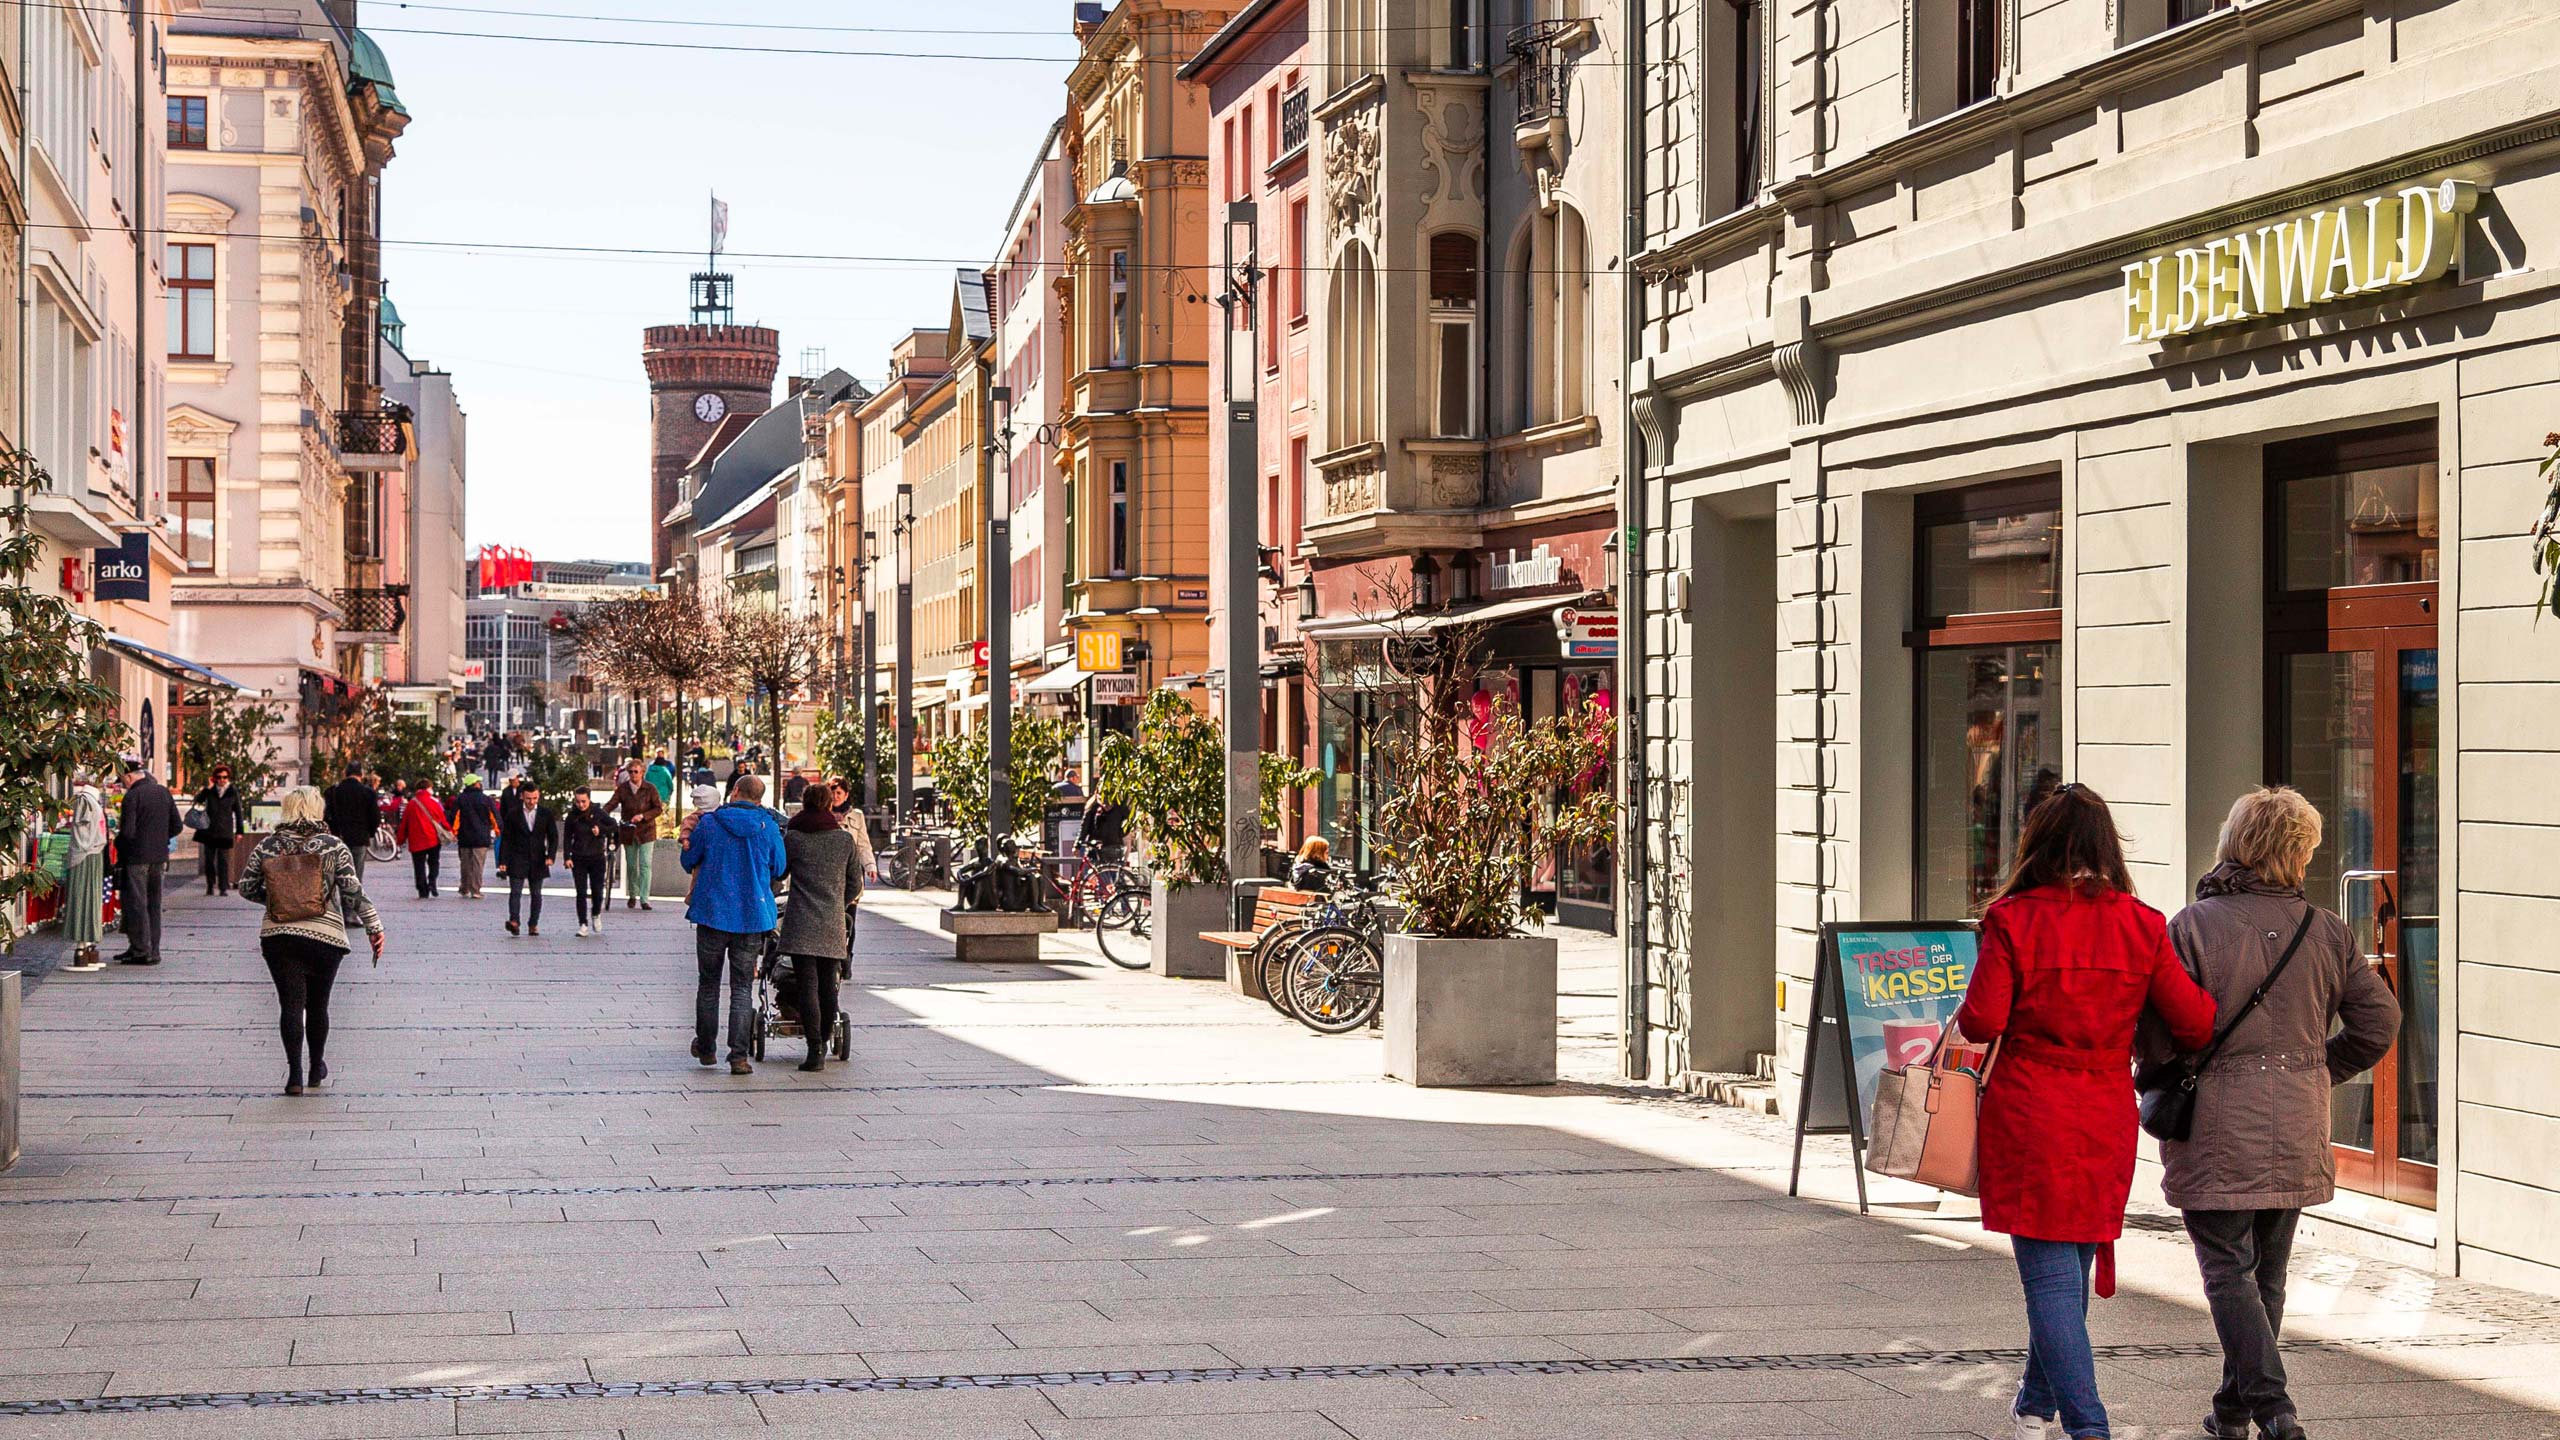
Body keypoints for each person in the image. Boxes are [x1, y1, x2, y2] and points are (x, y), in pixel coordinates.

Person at [1953, 784, 2219, 1440]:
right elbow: (2196, 1021)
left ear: (2036, 844)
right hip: (2103, 1111)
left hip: (2029, 1110)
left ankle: (2086, 1427)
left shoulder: (2014, 919)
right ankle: (2033, 1406)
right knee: (2065, 1272)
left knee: (2050, 1279)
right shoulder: (2142, 923)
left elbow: (1983, 1019)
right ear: (2106, 845)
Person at [2152, 788, 2400, 1440]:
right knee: (2267, 1275)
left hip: (2215, 1124)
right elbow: (2380, 1022)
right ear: (2298, 853)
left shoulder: (2192, 927)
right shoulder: (2327, 931)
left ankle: (2273, 1409)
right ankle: (2232, 1414)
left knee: (2228, 1272)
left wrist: (2160, 1076)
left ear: (2235, 843)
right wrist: (2320, 1068)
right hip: (2297, 1121)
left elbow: (2157, 1031)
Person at [236, 786, 383, 1096]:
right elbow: (352, 892)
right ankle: (316, 1066)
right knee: (319, 1005)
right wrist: (374, 927)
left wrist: (279, 901)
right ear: (318, 809)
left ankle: (294, 1075)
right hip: (325, 936)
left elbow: (246, 887)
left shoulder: (268, 846)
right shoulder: (334, 846)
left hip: (279, 936)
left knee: (290, 1005)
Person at [680, 773, 788, 1075]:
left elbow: (688, 860)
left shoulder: (711, 823)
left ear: (735, 791)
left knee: (709, 984)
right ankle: (738, 1057)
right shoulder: (768, 827)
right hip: (752, 917)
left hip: (713, 913)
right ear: (759, 798)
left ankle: (706, 1048)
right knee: (742, 988)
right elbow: (779, 867)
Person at [776, 788, 865, 1073]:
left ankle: (814, 1047)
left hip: (801, 920)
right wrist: (838, 904)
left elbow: (780, 874)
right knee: (829, 986)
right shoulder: (844, 840)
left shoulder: (795, 838)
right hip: (832, 921)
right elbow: (855, 885)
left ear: (804, 803)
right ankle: (824, 1041)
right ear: (829, 804)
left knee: (807, 986)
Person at [113, 757, 182, 966]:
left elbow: (128, 832)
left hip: (136, 857)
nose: (122, 784)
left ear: (129, 776)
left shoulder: (132, 796)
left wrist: (119, 845)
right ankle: (153, 949)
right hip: (159, 857)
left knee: (137, 903)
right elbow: (177, 826)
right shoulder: (163, 792)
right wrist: (161, 839)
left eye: (122, 780)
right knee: (154, 904)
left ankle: (141, 950)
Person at [496, 780, 558, 937]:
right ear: (522, 796)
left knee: (536, 893)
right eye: (529, 798)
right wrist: (502, 861)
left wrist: (551, 856)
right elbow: (507, 839)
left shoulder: (545, 814)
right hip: (517, 857)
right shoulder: (513, 813)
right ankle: (514, 921)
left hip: (538, 858)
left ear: (539, 796)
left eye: (535, 798)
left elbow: (553, 836)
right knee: (515, 891)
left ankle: (533, 924)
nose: (531, 802)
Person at [61, 774, 110, 971]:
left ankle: (87, 945)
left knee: (88, 898)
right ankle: (83, 946)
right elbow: (84, 831)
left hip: (90, 854)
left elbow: (86, 830)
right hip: (88, 854)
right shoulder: (87, 800)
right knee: (83, 898)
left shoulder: (88, 800)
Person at [609, 760, 666, 911]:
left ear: (642, 773)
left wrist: (644, 816)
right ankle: (633, 894)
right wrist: (600, 814)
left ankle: (644, 898)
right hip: (629, 831)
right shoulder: (623, 789)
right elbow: (612, 803)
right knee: (632, 864)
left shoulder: (650, 789)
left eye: (636, 772)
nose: (633, 775)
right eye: (631, 772)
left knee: (645, 864)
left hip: (646, 831)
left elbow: (658, 808)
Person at [560, 788, 614, 937]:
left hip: (597, 857)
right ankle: (583, 923)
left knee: (597, 891)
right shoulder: (572, 816)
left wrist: (601, 830)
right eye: (578, 801)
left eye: (583, 801)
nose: (581, 805)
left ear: (589, 799)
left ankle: (596, 913)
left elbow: (613, 826)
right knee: (581, 892)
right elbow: (566, 838)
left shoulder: (598, 812)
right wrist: (567, 857)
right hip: (579, 857)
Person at [193, 766, 245, 896]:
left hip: (224, 831)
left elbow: (238, 812)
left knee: (223, 860)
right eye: (219, 777)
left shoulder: (232, 791)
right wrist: (207, 788)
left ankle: (223, 887)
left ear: (228, 778)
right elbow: (198, 800)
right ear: (215, 778)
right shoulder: (210, 791)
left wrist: (240, 831)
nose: (222, 780)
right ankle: (210, 885)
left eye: (225, 777)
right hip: (209, 831)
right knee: (209, 860)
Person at [399, 779, 454, 898]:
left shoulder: (412, 804)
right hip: (432, 838)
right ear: (428, 788)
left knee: (419, 865)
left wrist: (400, 840)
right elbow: (442, 820)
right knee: (434, 862)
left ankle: (422, 889)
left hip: (416, 840)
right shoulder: (434, 802)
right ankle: (432, 882)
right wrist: (451, 831)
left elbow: (404, 824)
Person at [323, 766, 379, 877]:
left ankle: (343, 893)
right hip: (360, 837)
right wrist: (370, 833)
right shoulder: (368, 792)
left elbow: (328, 816)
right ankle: (354, 893)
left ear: (345, 774)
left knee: (341, 872)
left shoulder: (334, 791)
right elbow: (375, 817)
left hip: (339, 837)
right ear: (361, 775)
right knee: (356, 873)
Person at [451, 774, 497, 899]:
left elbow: (454, 818)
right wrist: (498, 830)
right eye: (478, 781)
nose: (479, 783)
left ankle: (464, 887)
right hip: (481, 837)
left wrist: (454, 832)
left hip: (464, 837)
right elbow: (494, 816)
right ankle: (476, 890)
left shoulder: (460, 799)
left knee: (465, 864)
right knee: (478, 865)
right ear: (474, 784)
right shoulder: (485, 799)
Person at [1081, 789, 1129, 864]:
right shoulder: (1093, 807)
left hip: (1112, 845)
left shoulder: (1119, 807)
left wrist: (1120, 835)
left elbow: (1128, 823)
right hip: (1099, 846)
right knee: (1099, 872)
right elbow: (1085, 827)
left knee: (1107, 872)